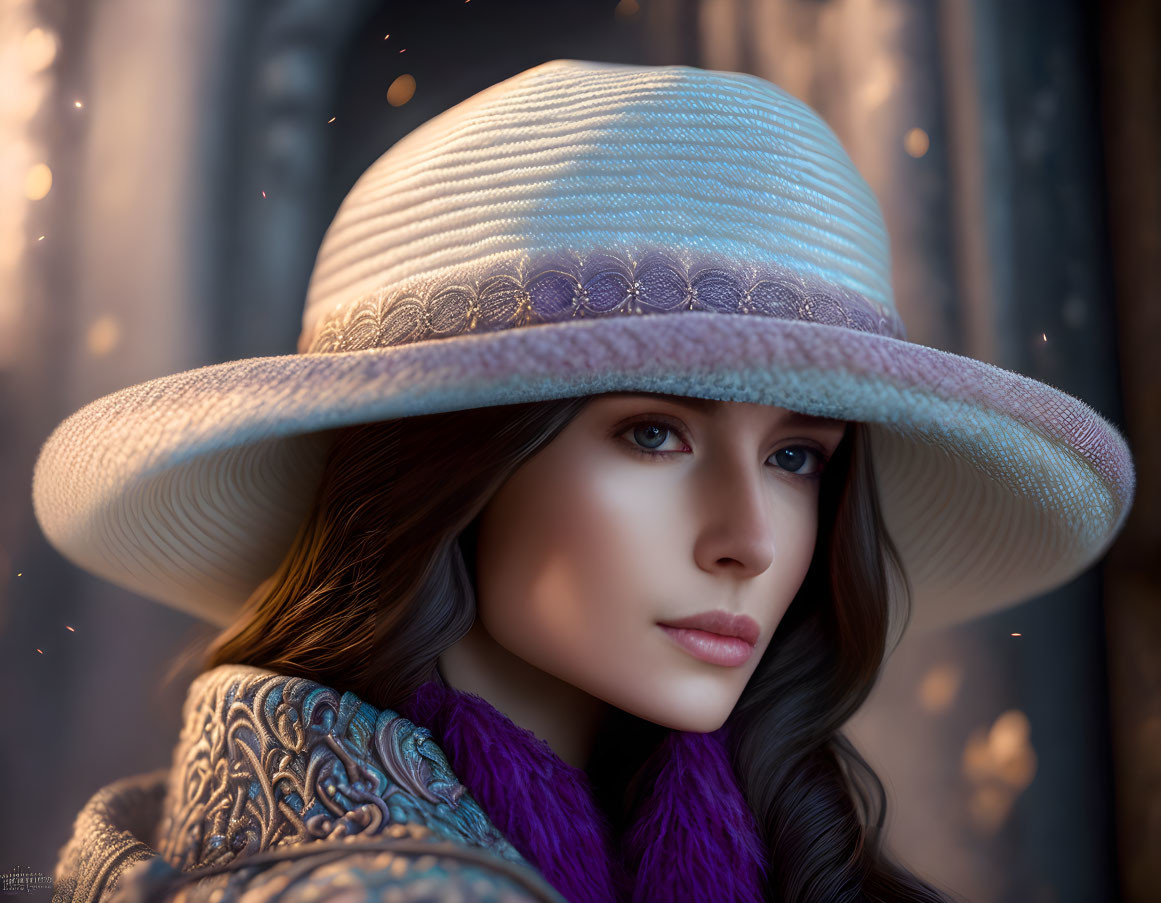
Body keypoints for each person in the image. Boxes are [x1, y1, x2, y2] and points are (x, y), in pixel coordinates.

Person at [35, 59, 1135, 902]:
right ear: (448, 469)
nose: (749, 539)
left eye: (798, 456)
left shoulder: (770, 835)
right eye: (654, 435)